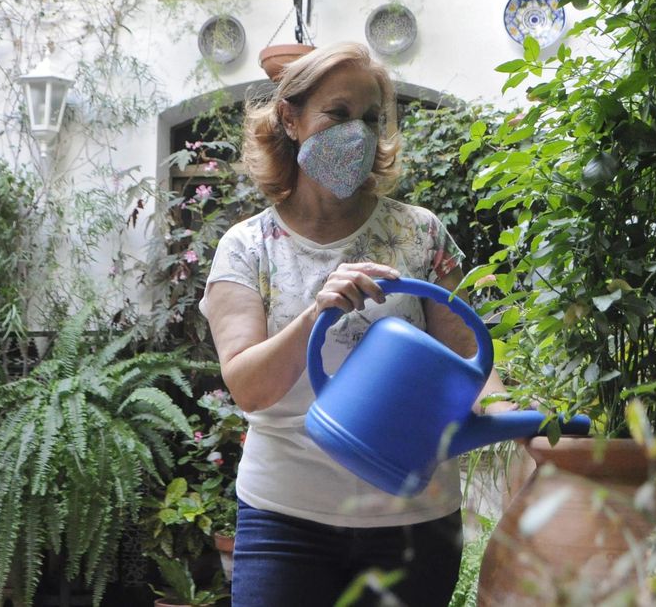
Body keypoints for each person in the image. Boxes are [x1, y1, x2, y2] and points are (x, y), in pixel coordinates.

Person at [200, 42, 510, 607]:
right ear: (290, 120)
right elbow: (249, 386)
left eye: (370, 118)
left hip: (415, 522)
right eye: (338, 115)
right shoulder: (247, 248)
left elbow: (472, 365)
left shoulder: (420, 234)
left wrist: (518, 421)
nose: (359, 133)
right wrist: (317, 311)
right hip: (286, 520)